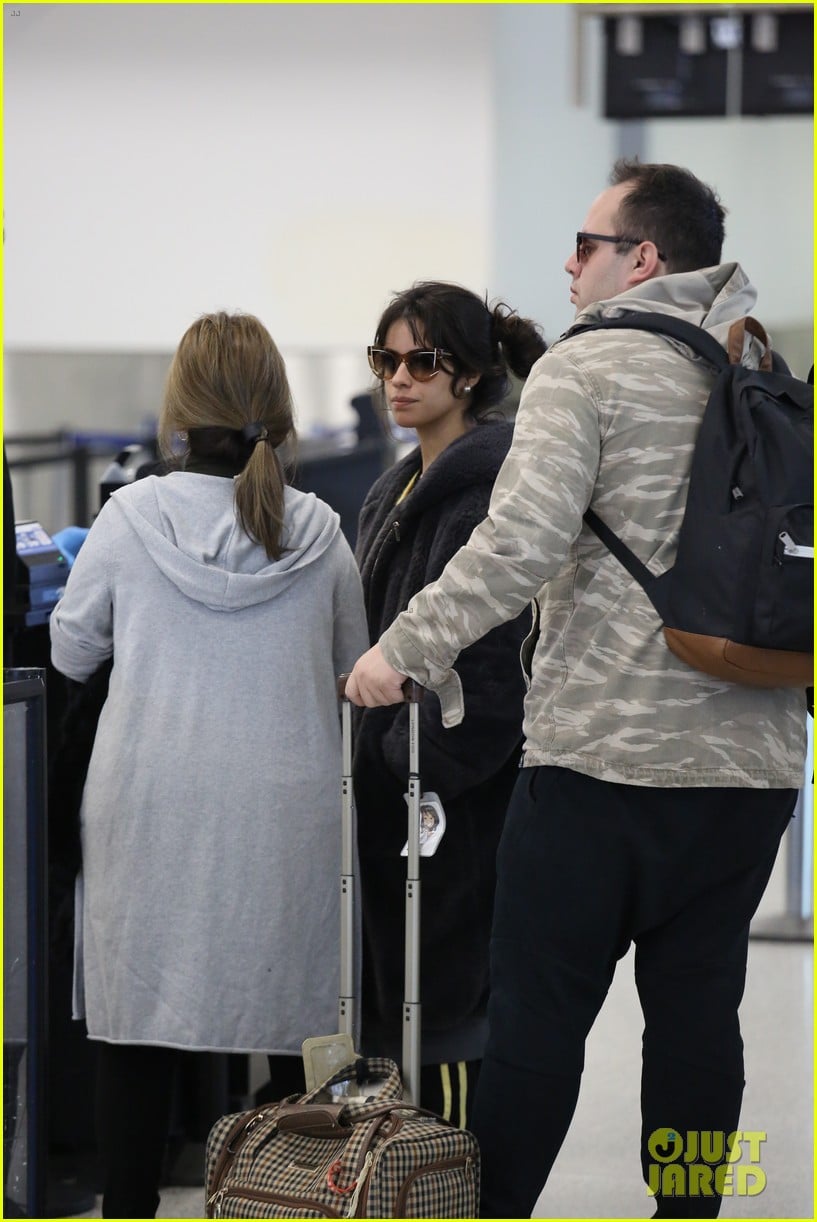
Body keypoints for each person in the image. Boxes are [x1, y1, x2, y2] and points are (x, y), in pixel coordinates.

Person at [345, 163, 806, 1217]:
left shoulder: (585, 369)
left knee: (536, 1019)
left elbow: (519, 543)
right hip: (751, 763)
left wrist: (402, 649)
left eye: (586, 244)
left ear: (643, 257)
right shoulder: (758, 359)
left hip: (602, 756)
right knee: (700, 1017)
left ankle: (493, 1208)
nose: (567, 262)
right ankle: (691, 1210)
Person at [49, 311, 369, 1218]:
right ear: (277, 410)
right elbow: (356, 671)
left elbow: (72, 650)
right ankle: (289, 1198)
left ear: (178, 411)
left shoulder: (129, 516)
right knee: (296, 1025)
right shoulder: (319, 530)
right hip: (284, 811)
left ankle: (129, 1205)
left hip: (149, 803)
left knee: (137, 1031)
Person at [353, 281, 547, 1128]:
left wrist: (412, 754)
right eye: (386, 359)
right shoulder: (400, 485)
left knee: (447, 1023)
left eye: (421, 360)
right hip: (405, 793)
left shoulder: (484, 492)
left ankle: (453, 1193)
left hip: (449, 800)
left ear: (466, 374)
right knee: (406, 1015)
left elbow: (498, 666)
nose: (400, 378)